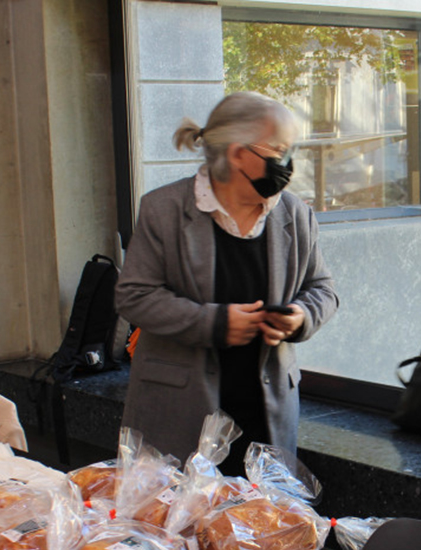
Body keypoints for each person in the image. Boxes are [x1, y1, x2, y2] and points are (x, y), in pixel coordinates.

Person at [116, 92, 339, 475]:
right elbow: (133, 296)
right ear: (238, 153)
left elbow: (323, 288)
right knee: (178, 528)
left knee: (261, 529)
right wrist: (216, 323)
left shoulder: (295, 213)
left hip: (265, 412)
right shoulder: (163, 209)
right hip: (179, 412)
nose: (287, 164)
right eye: (279, 151)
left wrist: (300, 317)